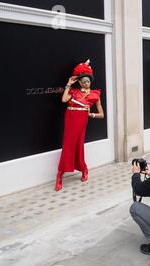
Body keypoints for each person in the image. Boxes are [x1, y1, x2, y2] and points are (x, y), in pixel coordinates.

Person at [56, 60, 105, 191]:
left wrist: (91, 115)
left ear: (90, 82)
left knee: (78, 145)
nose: (86, 83)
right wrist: (68, 84)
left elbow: (102, 114)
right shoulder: (74, 92)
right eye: (83, 81)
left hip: (82, 120)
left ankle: (84, 168)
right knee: (67, 145)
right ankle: (60, 174)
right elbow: (63, 100)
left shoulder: (95, 95)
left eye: (88, 81)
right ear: (80, 82)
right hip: (70, 118)